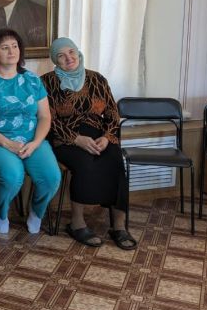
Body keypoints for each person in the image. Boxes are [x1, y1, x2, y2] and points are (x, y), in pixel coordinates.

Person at [41, 38, 137, 249]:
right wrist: (76, 139)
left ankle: (119, 226)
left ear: (78, 52)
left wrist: (106, 137)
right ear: (55, 60)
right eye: (61, 55)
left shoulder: (97, 79)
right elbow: (47, 119)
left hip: (98, 135)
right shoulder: (46, 82)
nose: (69, 58)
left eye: (71, 52)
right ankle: (77, 224)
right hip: (65, 138)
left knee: (115, 161)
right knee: (84, 163)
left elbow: (112, 113)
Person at [0, 28, 61, 234]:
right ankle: (1, 214)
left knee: (51, 177)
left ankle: (36, 213)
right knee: (13, 176)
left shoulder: (32, 80)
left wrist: (36, 143)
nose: (12, 51)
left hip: (32, 141)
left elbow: (45, 117)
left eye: (15, 46)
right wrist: (7, 143)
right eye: (5, 47)